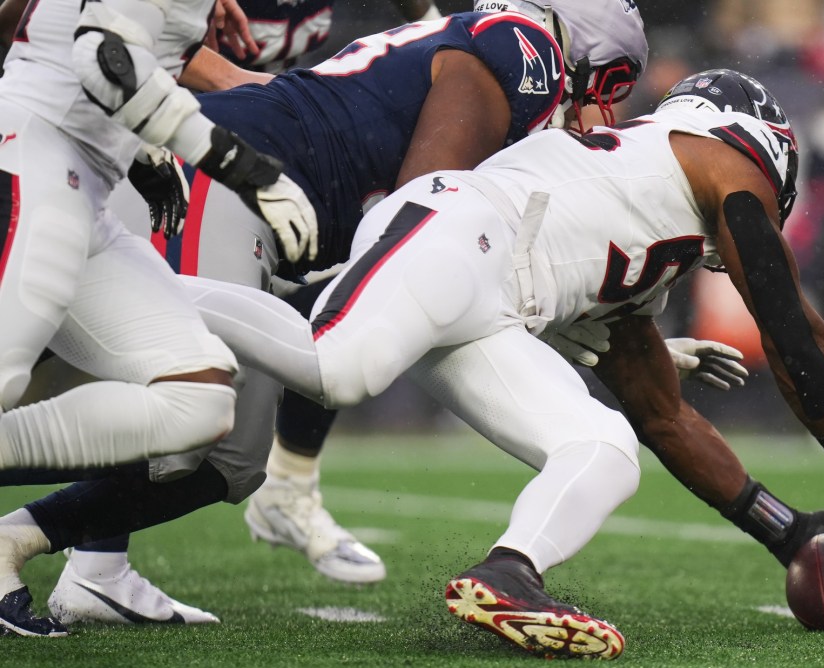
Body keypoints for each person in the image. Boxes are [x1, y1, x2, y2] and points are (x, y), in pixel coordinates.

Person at [168, 69, 824, 658]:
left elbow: (665, 419)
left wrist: (786, 531)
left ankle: (508, 574)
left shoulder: (646, 219)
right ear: (761, 142)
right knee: (338, 371)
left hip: (491, 306)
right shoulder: (718, 164)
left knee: (606, 449)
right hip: (462, 230)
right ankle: (154, 291)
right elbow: (791, 330)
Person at [0, 0, 649, 629]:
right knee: (174, 417)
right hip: (220, 178)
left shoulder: (499, 58)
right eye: (613, 80)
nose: (606, 109)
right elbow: (424, 212)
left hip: (226, 190)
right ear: (582, 46)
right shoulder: (525, 48)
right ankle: (88, 559)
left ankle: (58, 556)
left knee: (228, 460)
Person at [0, 0, 317, 637]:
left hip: (83, 190)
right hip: (31, 165)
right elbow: (104, 56)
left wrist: (136, 138)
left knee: (198, 398)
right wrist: (244, 168)